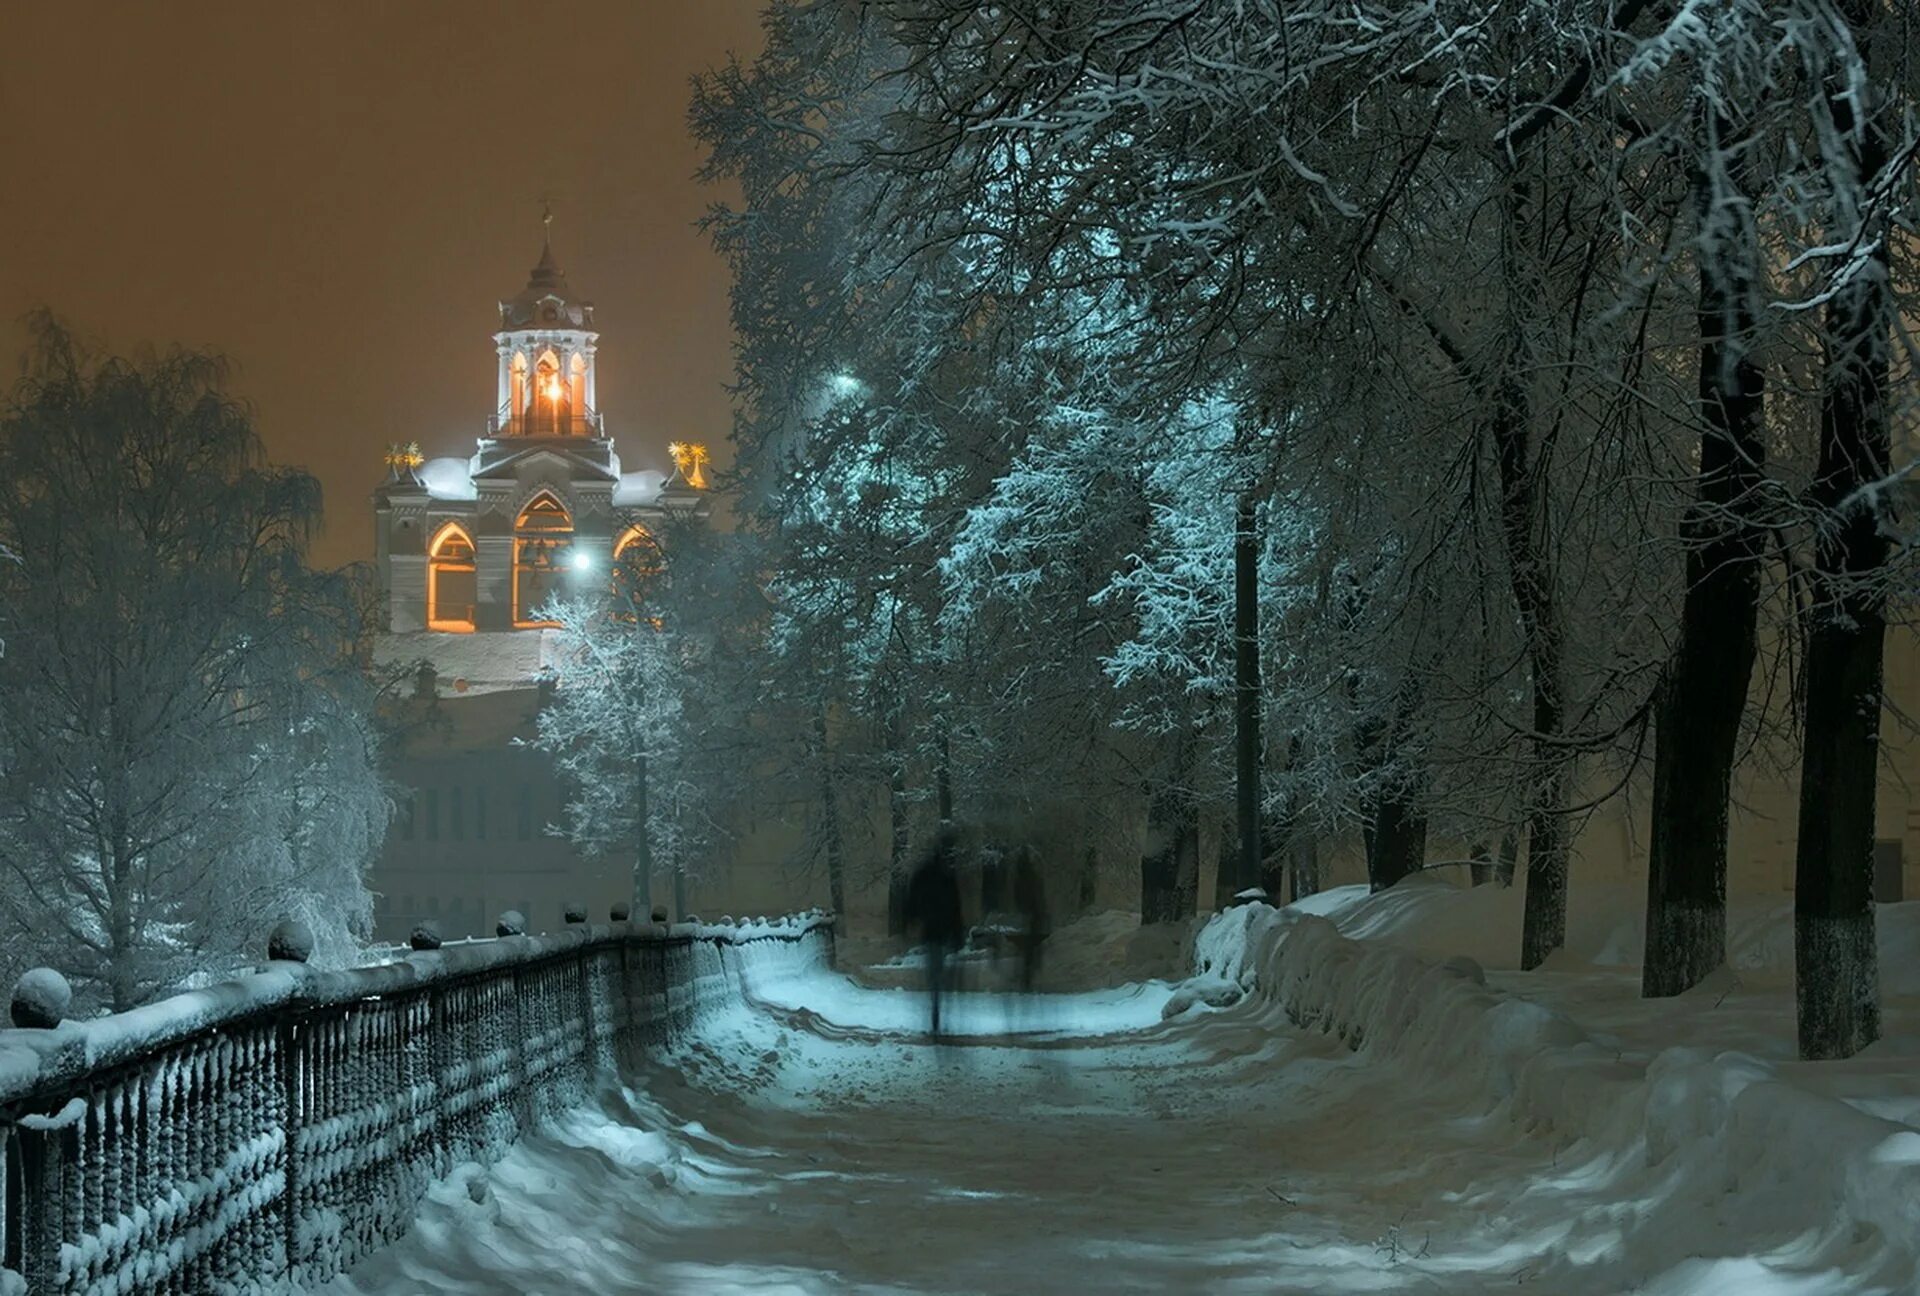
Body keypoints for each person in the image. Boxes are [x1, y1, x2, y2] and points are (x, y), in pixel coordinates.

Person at [903, 827, 965, 1036]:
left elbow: (913, 899)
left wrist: (910, 919)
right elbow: (955, 907)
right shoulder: (947, 876)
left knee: (935, 976)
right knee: (944, 976)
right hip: (944, 931)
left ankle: (936, 1014)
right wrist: (957, 933)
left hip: (932, 931)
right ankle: (939, 1013)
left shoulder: (926, 874)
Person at [1010, 845, 1050, 993]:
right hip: (1034, 916)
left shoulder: (1018, 878)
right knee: (1032, 949)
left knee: (1025, 950)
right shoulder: (1034, 876)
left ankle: (1024, 979)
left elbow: (1017, 898)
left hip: (1025, 917)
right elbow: (1039, 897)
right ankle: (1029, 978)